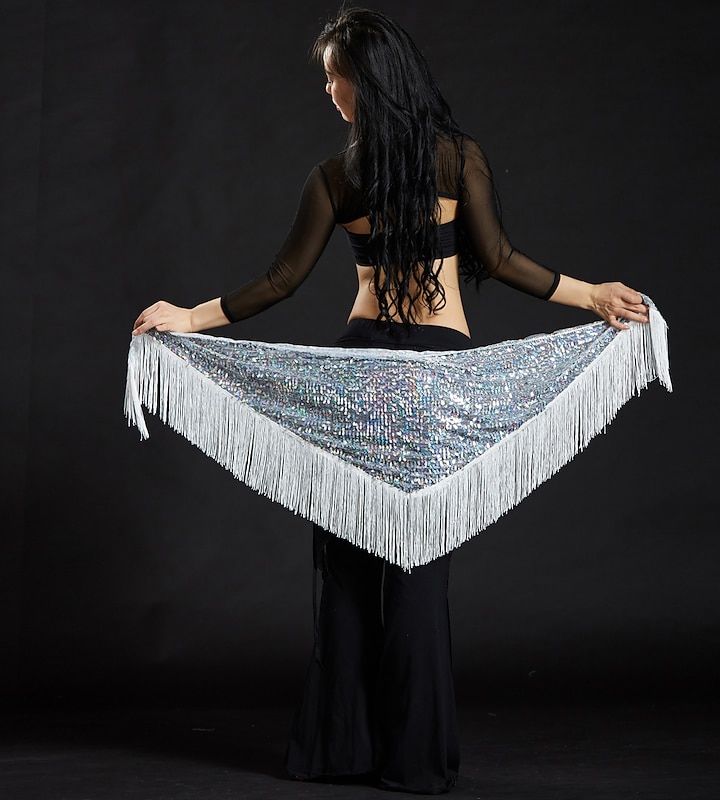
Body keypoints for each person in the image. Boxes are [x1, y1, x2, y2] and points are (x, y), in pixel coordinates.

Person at [133, 7, 649, 795]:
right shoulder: (459, 157)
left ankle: (339, 750)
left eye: (334, 77)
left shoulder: (335, 178)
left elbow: (280, 281)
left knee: (345, 569)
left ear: (366, 84)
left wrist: (189, 317)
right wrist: (593, 295)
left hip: (361, 373)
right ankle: (414, 762)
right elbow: (500, 259)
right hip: (438, 376)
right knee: (419, 572)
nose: (328, 91)